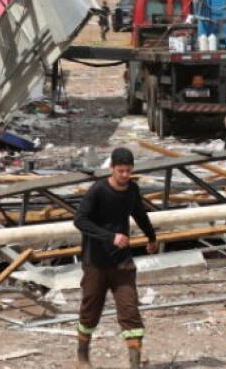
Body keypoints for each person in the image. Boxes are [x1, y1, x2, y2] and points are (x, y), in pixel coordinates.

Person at [73, 148, 158, 369]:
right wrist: (110, 237)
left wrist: (151, 237)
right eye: (121, 171)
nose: (125, 176)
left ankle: (134, 364)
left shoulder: (132, 190)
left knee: (130, 311)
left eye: (129, 171)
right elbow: (80, 220)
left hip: (122, 262)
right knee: (90, 309)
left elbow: (139, 213)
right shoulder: (98, 191)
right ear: (111, 168)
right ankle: (82, 358)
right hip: (95, 262)